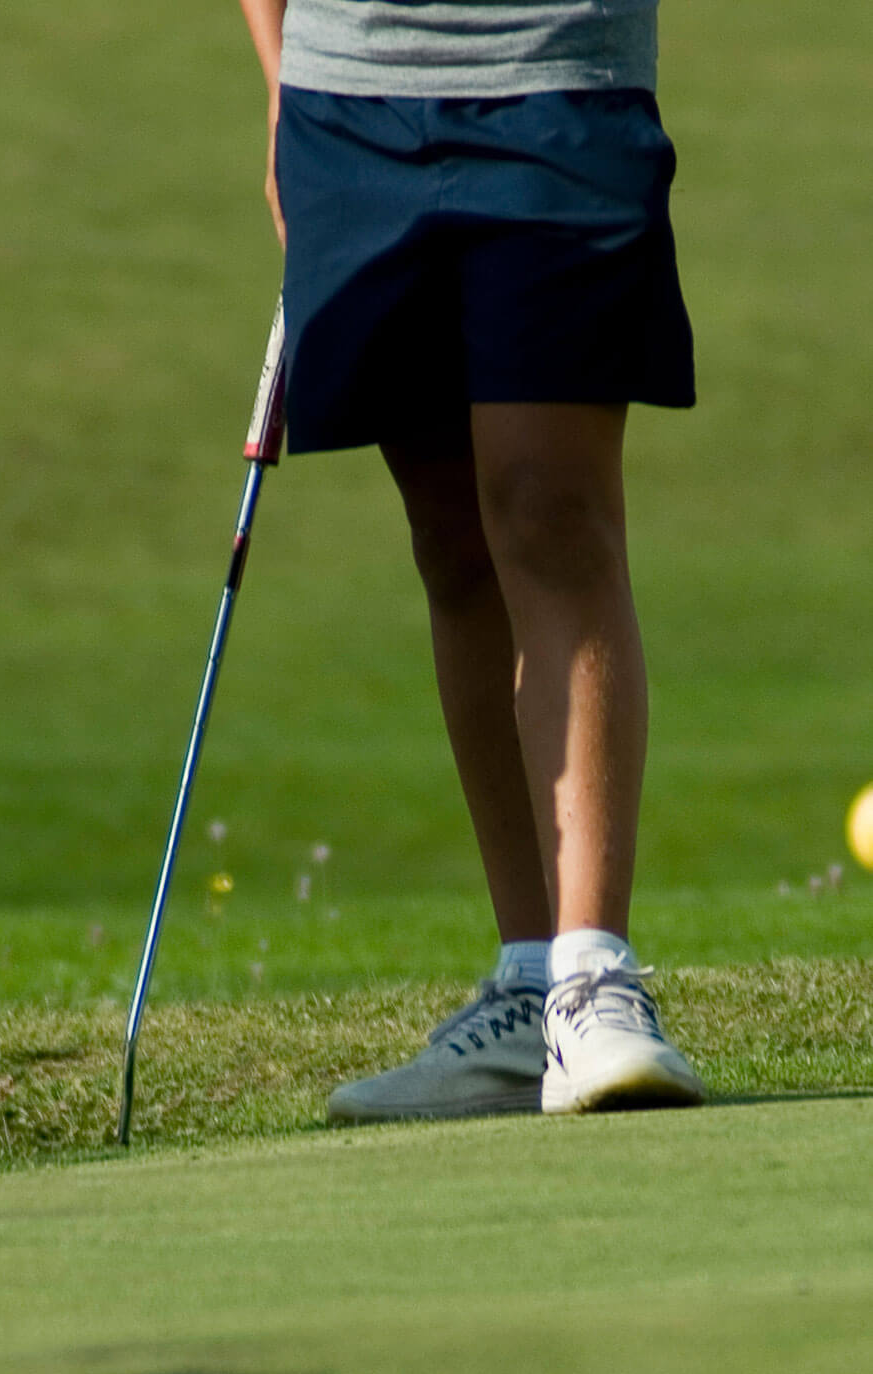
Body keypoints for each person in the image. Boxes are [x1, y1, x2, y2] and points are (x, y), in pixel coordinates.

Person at [237, 0, 704, 1121]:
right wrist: (280, 84)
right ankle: (531, 979)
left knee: (551, 511)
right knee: (449, 539)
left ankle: (593, 975)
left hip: (555, 72)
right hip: (348, 96)